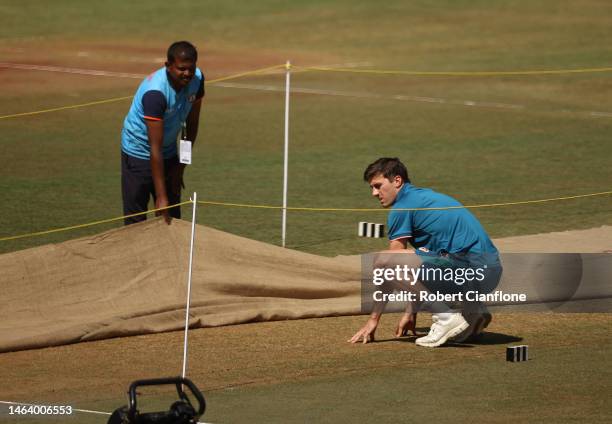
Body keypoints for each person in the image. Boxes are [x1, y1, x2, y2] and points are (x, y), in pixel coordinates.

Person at [349, 157, 502, 347]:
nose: (374, 193)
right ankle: (474, 314)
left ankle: (446, 318)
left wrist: (373, 320)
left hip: (471, 273)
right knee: (417, 261)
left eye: (378, 186)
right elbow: (417, 269)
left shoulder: (402, 208)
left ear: (397, 181)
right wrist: (410, 312)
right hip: (490, 273)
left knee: (382, 260)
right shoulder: (425, 198)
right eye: (372, 188)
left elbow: (389, 269)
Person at [121, 41, 204, 225]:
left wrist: (181, 166)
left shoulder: (197, 80)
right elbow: (154, 147)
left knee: (171, 219)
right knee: (136, 222)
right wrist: (161, 196)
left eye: (191, 68)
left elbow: (192, 124)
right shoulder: (155, 94)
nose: (187, 74)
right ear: (168, 66)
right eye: (182, 69)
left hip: (167, 151)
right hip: (138, 152)